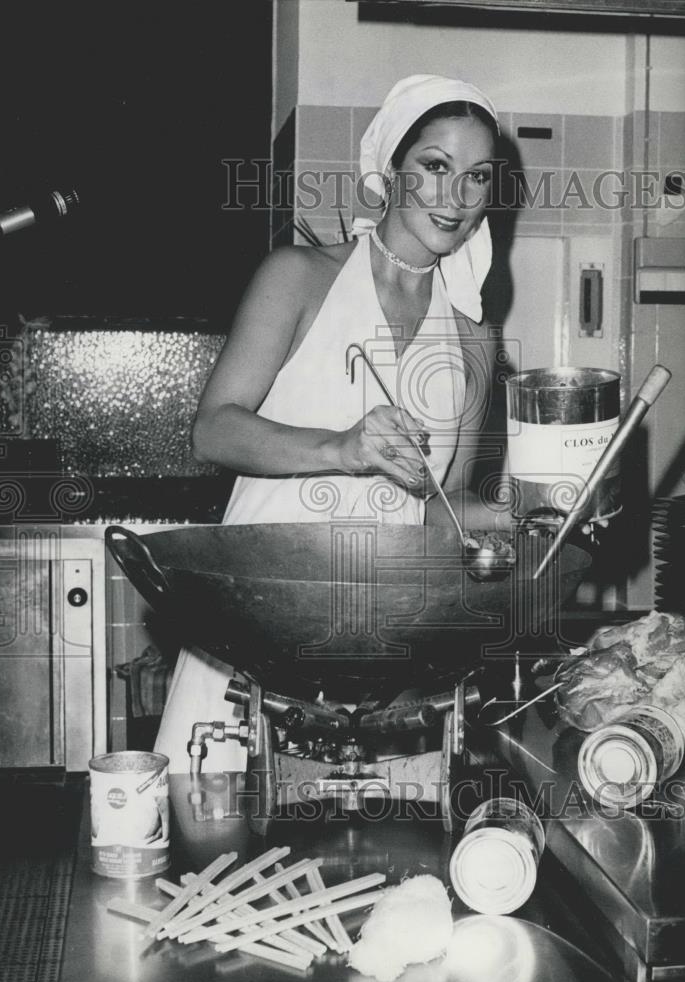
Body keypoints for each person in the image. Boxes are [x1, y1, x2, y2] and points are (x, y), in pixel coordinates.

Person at [156, 74, 503, 772]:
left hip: (382, 664)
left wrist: (530, 513)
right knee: (215, 853)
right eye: (435, 167)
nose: (454, 198)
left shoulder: (473, 335)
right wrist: (344, 449)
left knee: (385, 870)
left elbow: (442, 514)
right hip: (255, 625)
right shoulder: (298, 276)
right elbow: (213, 429)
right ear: (389, 171)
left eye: (477, 178)